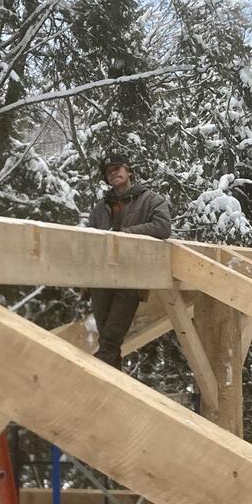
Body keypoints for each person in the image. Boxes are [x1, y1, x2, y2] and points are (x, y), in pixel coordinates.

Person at [87, 151, 172, 368]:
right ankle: (111, 387)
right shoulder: (100, 207)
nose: (112, 174)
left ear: (128, 170)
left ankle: (101, 378)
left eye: (117, 168)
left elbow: (162, 227)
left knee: (111, 338)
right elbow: (90, 238)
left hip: (132, 276)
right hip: (102, 278)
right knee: (107, 338)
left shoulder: (151, 199)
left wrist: (126, 233)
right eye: (108, 172)